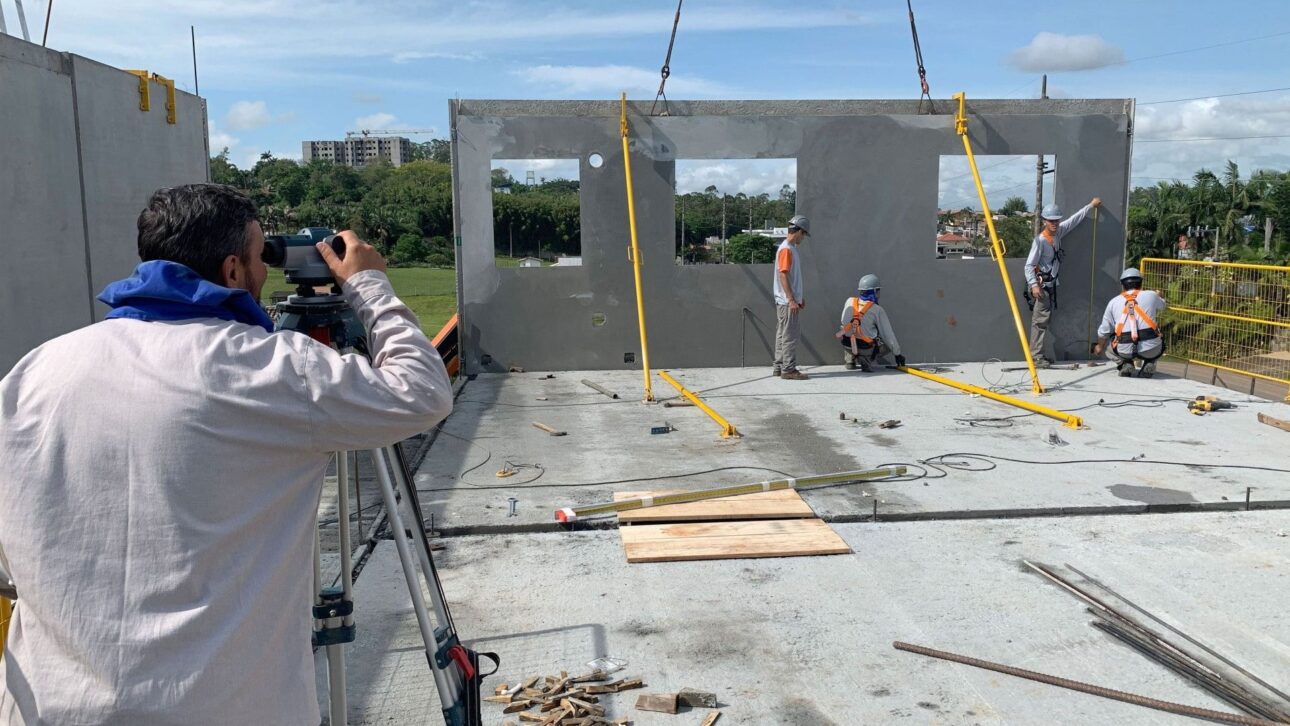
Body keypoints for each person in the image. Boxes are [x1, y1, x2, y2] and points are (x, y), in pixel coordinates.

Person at [0, 184, 453, 725]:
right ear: (233, 270)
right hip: (220, 707)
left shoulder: (35, 370)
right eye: (262, 256)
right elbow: (421, 391)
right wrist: (368, 285)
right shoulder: (273, 368)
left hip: (47, 707)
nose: (266, 270)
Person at [1025, 197, 1102, 367]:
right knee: (1039, 322)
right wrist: (1034, 285)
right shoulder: (1040, 241)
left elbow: (1074, 220)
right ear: (1044, 221)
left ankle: (1039, 355)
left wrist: (1090, 206)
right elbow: (1029, 265)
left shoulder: (1058, 233)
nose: (1054, 223)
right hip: (1042, 287)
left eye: (1056, 220)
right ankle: (1036, 357)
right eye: (1051, 221)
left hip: (1051, 286)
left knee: (1044, 321)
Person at [1093, 267, 1167, 378]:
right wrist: (1159, 296)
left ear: (1122, 285)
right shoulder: (1151, 295)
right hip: (1151, 349)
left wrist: (1099, 346)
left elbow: (1104, 331)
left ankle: (1125, 364)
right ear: (1140, 283)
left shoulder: (1113, 302)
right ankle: (1150, 362)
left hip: (1124, 350)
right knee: (1160, 339)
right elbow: (1163, 305)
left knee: (1109, 349)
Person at [835, 274, 906, 371]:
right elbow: (888, 335)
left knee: (846, 328)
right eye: (878, 291)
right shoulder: (877, 309)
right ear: (874, 292)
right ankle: (866, 360)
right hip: (865, 348)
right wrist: (898, 354)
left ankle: (850, 360)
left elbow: (843, 320)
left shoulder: (849, 301)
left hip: (848, 345)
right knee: (888, 344)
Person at [773, 214, 812, 380]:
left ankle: (778, 366)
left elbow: (791, 276)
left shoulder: (789, 248)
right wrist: (791, 299)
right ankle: (788, 369)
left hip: (786, 301)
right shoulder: (787, 249)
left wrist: (798, 297)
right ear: (799, 231)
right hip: (787, 302)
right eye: (804, 235)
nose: (803, 238)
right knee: (790, 336)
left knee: (782, 334)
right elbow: (783, 275)